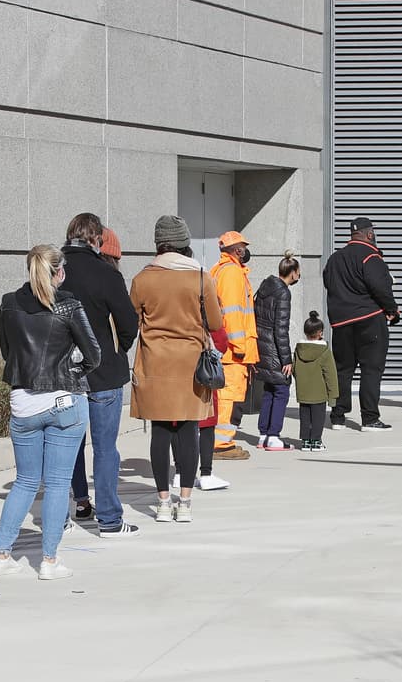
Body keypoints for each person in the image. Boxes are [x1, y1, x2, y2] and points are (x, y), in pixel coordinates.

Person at [0, 245, 101, 577]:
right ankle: (49, 560)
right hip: (64, 402)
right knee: (56, 484)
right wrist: (70, 372)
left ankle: (0, 556)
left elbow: (6, 351)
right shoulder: (67, 305)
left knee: (24, 481)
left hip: (23, 402)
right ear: (60, 271)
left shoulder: (9, 303)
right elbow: (93, 354)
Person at [131, 215, 224, 522]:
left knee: (159, 432)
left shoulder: (143, 279)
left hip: (154, 364)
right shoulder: (199, 276)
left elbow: (131, 323)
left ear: (158, 244)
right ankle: (184, 502)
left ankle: (161, 502)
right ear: (185, 243)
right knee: (189, 431)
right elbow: (215, 322)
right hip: (190, 366)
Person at [60, 213, 140, 538]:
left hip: (64, 373)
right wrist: (119, 345)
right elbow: (128, 322)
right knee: (106, 447)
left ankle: (78, 503)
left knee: (69, 445)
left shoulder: (55, 271)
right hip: (104, 371)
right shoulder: (106, 274)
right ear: (97, 240)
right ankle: (108, 519)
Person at [322, 217, 400, 431]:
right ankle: (370, 418)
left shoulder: (335, 258)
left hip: (341, 322)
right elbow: (380, 286)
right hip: (369, 319)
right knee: (371, 369)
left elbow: (328, 282)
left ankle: (338, 416)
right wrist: (392, 309)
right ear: (369, 234)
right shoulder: (370, 256)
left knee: (343, 370)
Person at [211, 231, 258, 458]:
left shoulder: (224, 270)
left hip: (231, 350)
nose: (246, 250)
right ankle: (221, 445)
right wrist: (239, 346)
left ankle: (223, 441)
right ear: (237, 250)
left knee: (228, 397)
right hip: (234, 352)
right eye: (243, 246)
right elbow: (233, 313)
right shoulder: (231, 273)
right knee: (229, 397)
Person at [254, 251, 302, 449]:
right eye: (298, 272)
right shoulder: (283, 292)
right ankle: (273, 435)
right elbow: (280, 329)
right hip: (274, 349)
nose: (299, 276)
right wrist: (286, 360)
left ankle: (263, 434)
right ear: (292, 272)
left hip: (261, 347)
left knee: (269, 390)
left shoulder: (266, 286)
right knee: (282, 390)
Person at [293, 311, 339, 451]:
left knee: (305, 417)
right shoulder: (324, 351)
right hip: (319, 393)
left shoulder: (298, 349)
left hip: (303, 392)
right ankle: (316, 441)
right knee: (318, 419)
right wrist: (333, 396)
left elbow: (295, 368)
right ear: (320, 332)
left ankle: (306, 441)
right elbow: (330, 374)